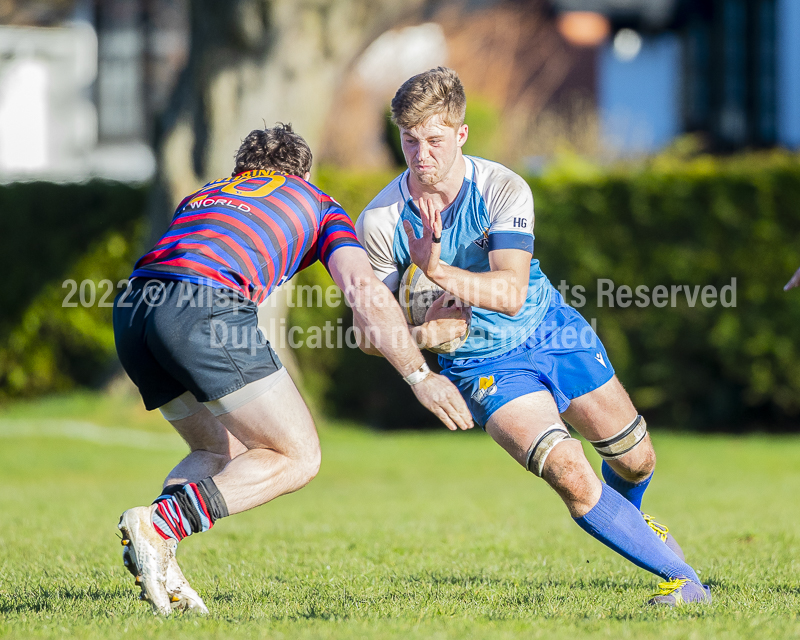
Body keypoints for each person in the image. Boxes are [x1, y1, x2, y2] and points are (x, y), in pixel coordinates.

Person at [356, 67, 711, 606]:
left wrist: (437, 269)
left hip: (551, 330)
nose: (420, 154)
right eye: (409, 141)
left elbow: (512, 291)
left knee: (636, 460)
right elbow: (366, 335)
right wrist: (426, 335)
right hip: (481, 365)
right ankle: (685, 582)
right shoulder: (382, 220)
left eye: (433, 140)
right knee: (569, 470)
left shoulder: (500, 187)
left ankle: (630, 528)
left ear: (461, 134)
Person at [113, 123, 472, 616]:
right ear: (303, 172)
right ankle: (159, 526)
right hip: (203, 306)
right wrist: (420, 375)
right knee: (298, 456)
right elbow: (363, 292)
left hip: (133, 310)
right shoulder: (319, 203)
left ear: (242, 170)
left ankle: (160, 553)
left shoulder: (205, 196)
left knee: (216, 449)